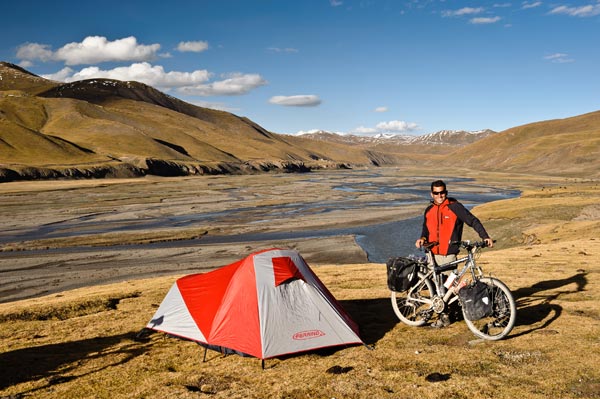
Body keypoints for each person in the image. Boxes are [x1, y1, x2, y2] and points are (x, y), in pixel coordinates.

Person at [415, 179, 494, 328]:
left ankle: (451, 312)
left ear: (446, 192)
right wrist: (422, 238)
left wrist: (485, 236)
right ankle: (443, 316)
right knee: (437, 288)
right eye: (436, 193)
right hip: (431, 252)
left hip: (449, 253)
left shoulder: (454, 207)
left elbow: (472, 220)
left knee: (451, 285)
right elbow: (425, 229)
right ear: (431, 194)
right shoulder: (429, 210)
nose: (440, 196)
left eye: (442, 192)